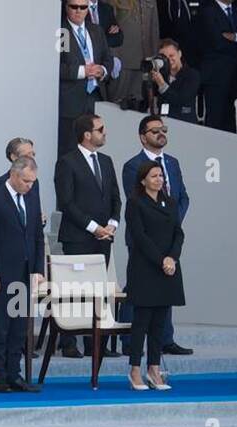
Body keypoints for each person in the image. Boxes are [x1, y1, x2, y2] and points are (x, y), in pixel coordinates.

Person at [122, 114, 191, 358]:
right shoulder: (133, 166)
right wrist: (163, 221)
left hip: (168, 237)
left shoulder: (172, 162)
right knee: (140, 289)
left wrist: (170, 221)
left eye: (164, 129)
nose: (161, 134)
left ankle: (165, 339)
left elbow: (182, 198)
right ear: (143, 137)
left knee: (165, 287)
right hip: (144, 240)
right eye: (155, 131)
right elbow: (137, 202)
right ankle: (130, 340)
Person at [54, 113, 121, 358]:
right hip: (78, 236)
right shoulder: (67, 162)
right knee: (74, 289)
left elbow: (115, 196)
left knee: (98, 289)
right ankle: (69, 341)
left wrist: (112, 224)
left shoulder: (106, 160)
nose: (105, 132)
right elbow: (67, 202)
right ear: (87, 134)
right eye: (100, 128)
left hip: (103, 237)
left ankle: (96, 343)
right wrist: (94, 227)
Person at [0, 157, 45, 393]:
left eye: (33, 182)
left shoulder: (32, 198)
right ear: (14, 175)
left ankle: (14, 374)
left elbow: (37, 236)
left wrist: (38, 269)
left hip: (25, 272)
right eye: (26, 181)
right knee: (2, 327)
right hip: (3, 274)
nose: (30, 185)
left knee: (19, 327)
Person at [124, 160, 183, 391]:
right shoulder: (135, 203)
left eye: (160, 176)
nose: (159, 179)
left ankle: (154, 369)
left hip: (168, 268)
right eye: (153, 176)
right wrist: (161, 260)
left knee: (160, 322)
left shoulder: (170, 202)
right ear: (143, 180)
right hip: (145, 268)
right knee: (142, 322)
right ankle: (135, 370)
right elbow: (140, 236)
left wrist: (172, 258)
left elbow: (178, 233)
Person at [194, 0, 237, 131]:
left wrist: (236, 37)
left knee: (235, 122)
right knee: (216, 121)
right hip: (216, 77)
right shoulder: (207, 12)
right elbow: (217, 43)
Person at [60, 0, 113, 155]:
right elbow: (56, 66)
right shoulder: (62, 32)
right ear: (66, 7)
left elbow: (108, 59)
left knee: (95, 146)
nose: (78, 11)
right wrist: (84, 71)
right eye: (74, 7)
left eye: (83, 7)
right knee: (70, 148)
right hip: (71, 100)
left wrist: (102, 70)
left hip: (96, 96)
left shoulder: (96, 30)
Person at [110, 0, 162, 103]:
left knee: (139, 103)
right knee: (116, 102)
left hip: (145, 61)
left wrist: (155, 57)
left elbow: (154, 27)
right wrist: (112, 57)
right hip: (121, 60)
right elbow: (108, 27)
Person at [151, 37, 201, 123]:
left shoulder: (192, 75)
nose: (169, 60)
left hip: (185, 124)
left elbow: (181, 99)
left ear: (179, 54)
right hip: (163, 124)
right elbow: (149, 98)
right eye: (164, 57)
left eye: (171, 55)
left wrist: (162, 84)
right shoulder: (161, 75)